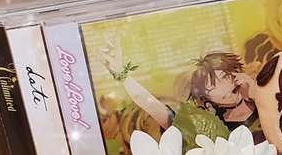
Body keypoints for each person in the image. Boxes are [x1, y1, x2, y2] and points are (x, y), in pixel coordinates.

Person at [101, 41, 258, 131]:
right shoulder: (206, 126)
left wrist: (259, 93)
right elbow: (153, 107)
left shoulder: (264, 97)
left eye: (225, 77)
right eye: (212, 86)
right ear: (205, 96)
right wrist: (122, 75)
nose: (224, 88)